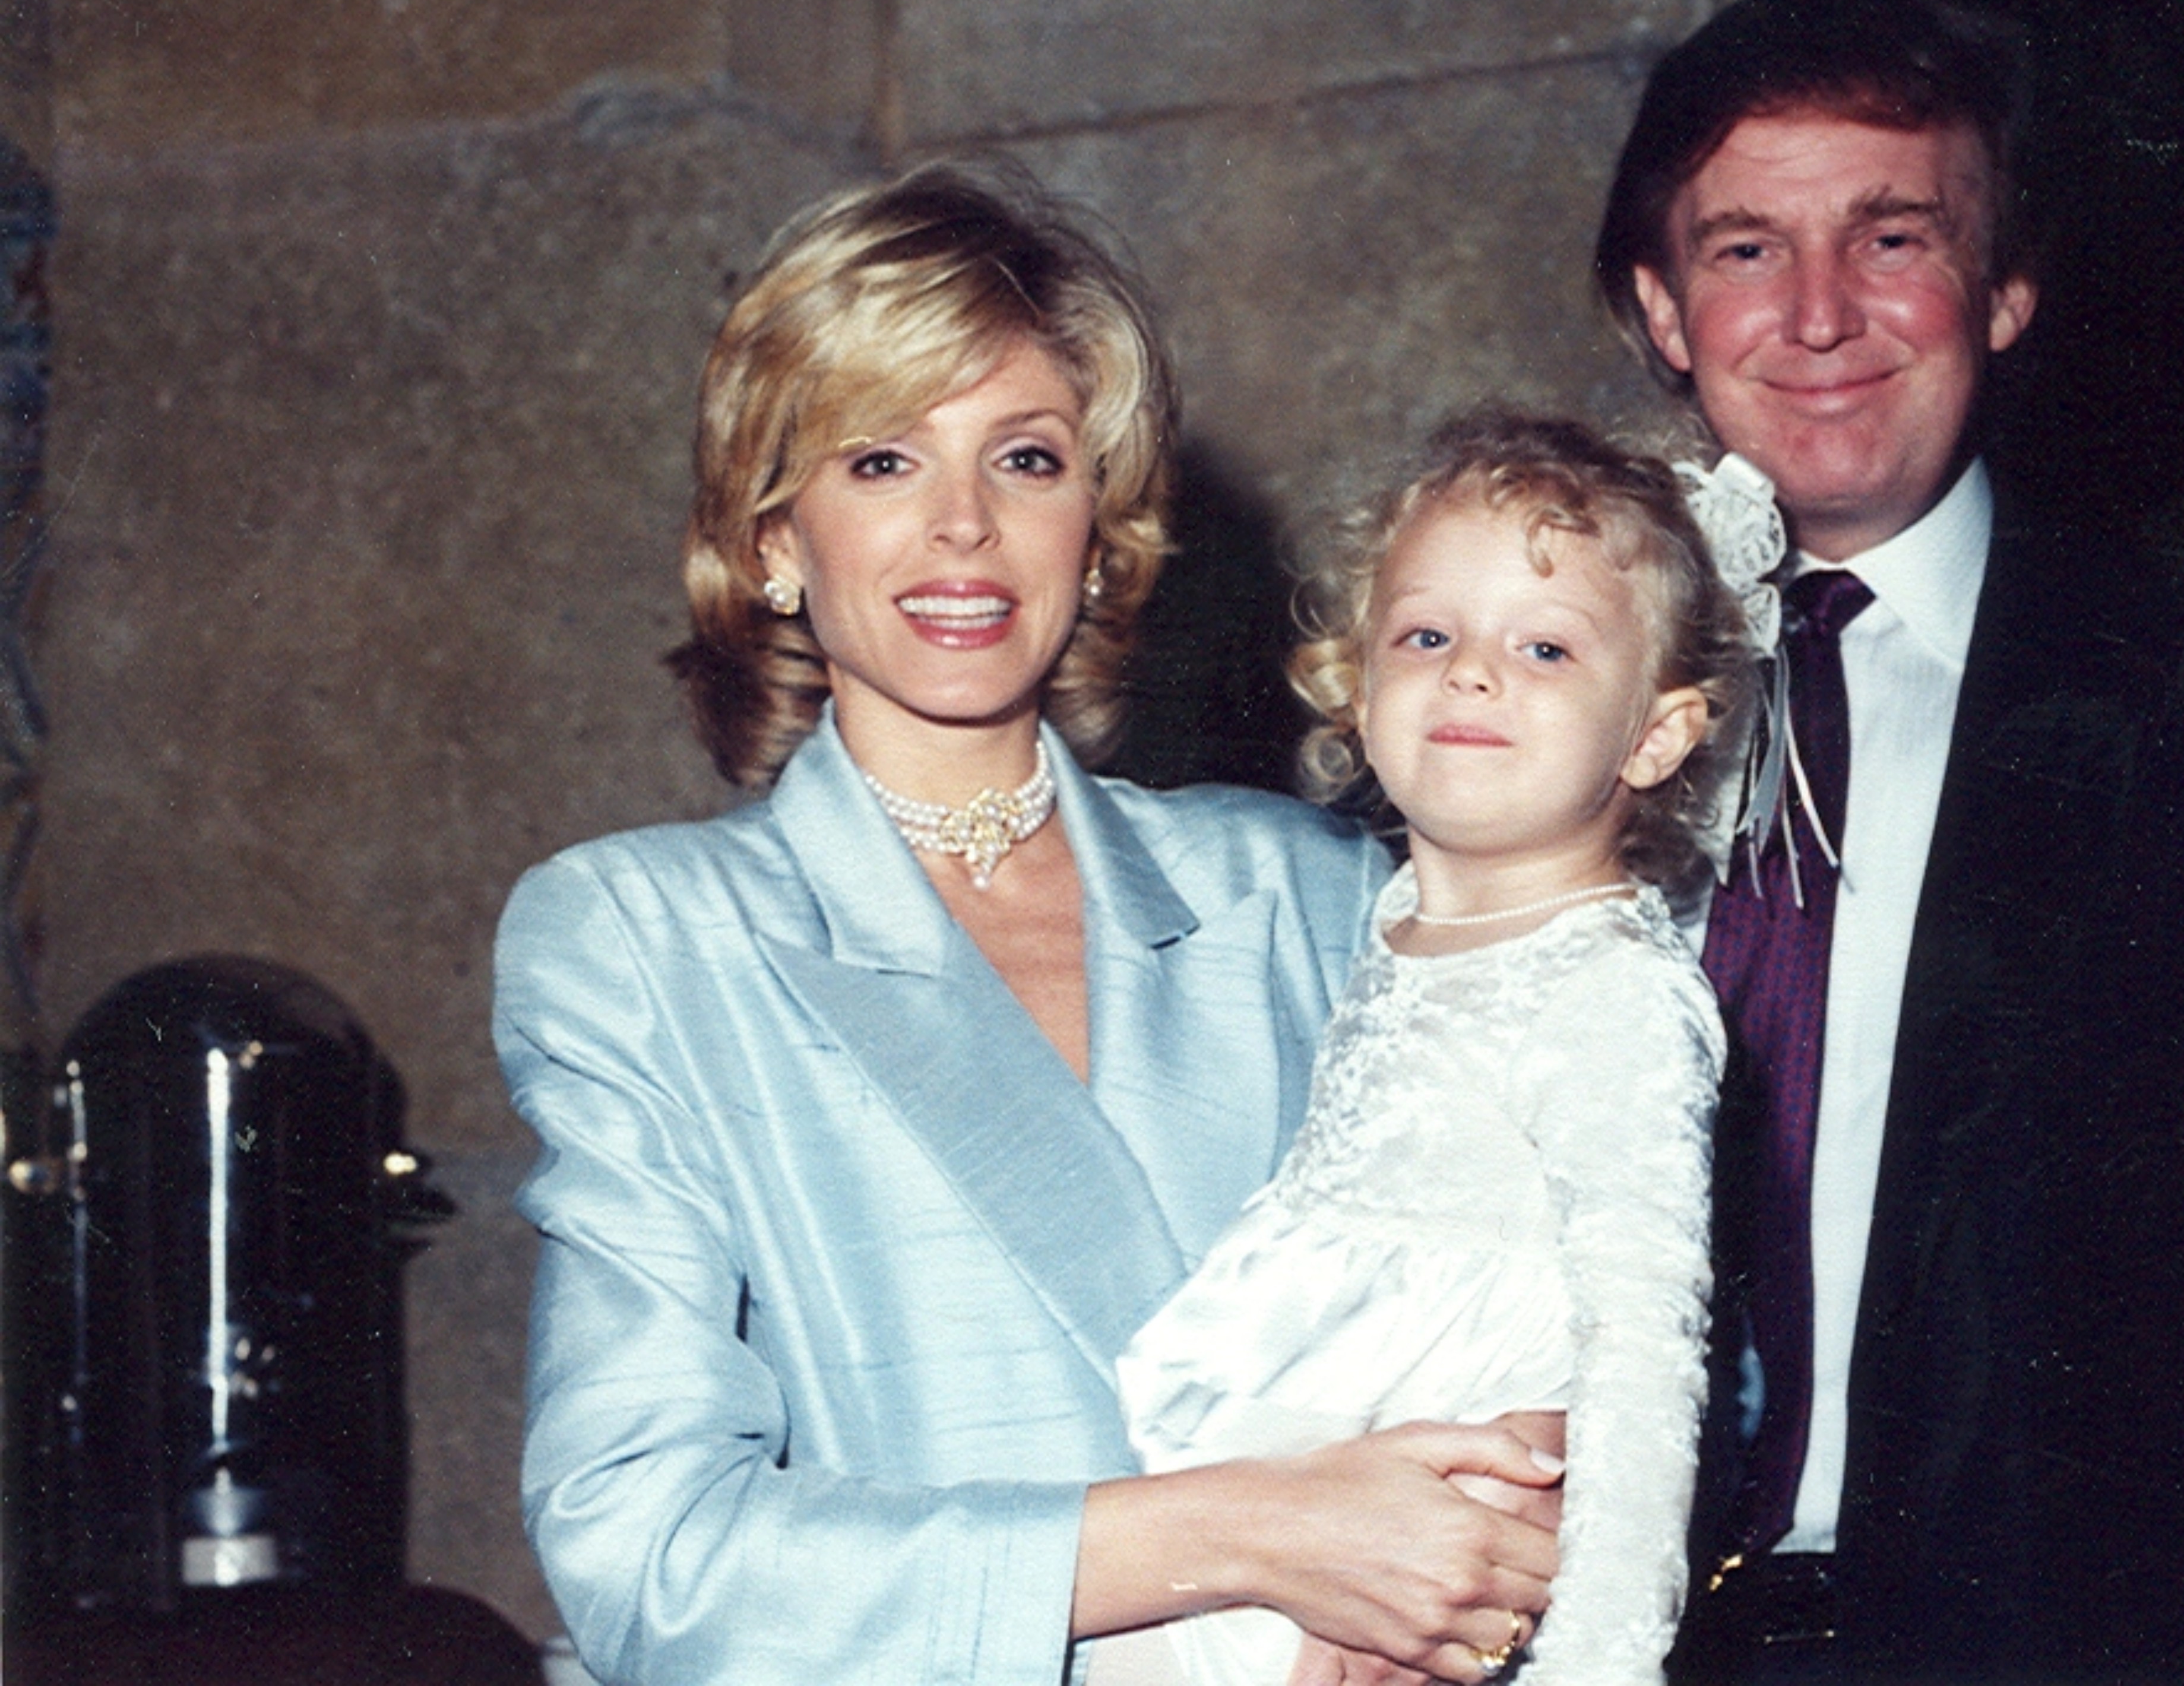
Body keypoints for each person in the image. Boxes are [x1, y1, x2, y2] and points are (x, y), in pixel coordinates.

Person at [495, 162, 1563, 1686]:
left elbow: (1578, 1314)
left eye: (1027, 456)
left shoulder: (1306, 894)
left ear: (1100, 523)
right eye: (879, 462)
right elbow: (653, 1552)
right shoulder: (646, 938)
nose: (964, 528)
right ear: (777, 540)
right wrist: (1257, 1533)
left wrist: (1449, 1576)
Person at [1594, 0, 2184, 1680]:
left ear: (2003, 288)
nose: (1812, 316)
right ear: (1658, 308)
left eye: (1889, 236)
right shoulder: (1513, 695)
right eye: (1739, 251)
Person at [1099, 413, 1766, 1686]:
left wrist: (1601, 1658)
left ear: (1658, 734)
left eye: (1546, 645)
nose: (1470, 671)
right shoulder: (1394, 911)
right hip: (1291, 1447)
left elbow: (1644, 1347)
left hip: (1435, 1490)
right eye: (1427, 634)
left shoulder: (1613, 986)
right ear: (1357, 682)